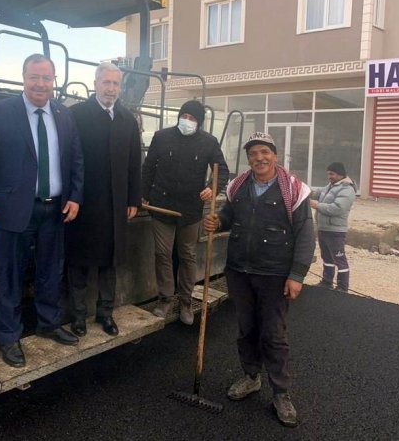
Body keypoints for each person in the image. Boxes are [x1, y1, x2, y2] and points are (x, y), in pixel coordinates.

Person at [0, 54, 84, 368]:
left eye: (46, 78)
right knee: (10, 276)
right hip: (12, 210)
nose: (40, 84)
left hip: (55, 209)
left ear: (54, 80)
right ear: (23, 78)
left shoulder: (63, 114)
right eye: (34, 77)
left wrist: (75, 197)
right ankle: (8, 337)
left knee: (51, 271)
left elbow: (76, 160)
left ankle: (48, 323)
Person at [203, 132, 314, 428]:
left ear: (275, 155)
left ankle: (280, 392)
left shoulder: (294, 190)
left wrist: (297, 274)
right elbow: (228, 216)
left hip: (274, 274)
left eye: (264, 152)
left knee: (273, 334)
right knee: (247, 329)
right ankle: (251, 377)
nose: (259, 158)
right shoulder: (238, 186)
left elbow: (305, 234)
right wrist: (218, 221)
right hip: (240, 271)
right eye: (253, 154)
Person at [65, 62, 142, 337]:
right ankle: (78, 316)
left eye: (115, 84)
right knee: (79, 262)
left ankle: (105, 314)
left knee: (110, 262)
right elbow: (67, 159)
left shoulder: (127, 119)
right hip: (83, 202)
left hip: (115, 203)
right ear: (95, 83)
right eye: (106, 82)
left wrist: (133, 198)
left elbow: (134, 162)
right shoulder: (76, 115)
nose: (111, 88)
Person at [141, 100, 229, 325]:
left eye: (192, 118)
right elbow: (148, 167)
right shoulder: (162, 137)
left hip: (190, 209)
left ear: (199, 122)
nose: (187, 121)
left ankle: (186, 301)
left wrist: (212, 187)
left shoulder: (208, 142)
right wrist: (143, 194)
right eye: (185, 116)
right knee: (162, 254)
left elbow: (222, 170)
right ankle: (165, 299)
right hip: (162, 205)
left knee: (188, 255)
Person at [310, 162, 357, 291]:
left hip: (335, 231)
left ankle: (342, 287)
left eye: (332, 174)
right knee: (327, 257)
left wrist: (317, 205)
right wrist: (303, 190)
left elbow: (337, 208)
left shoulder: (347, 189)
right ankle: (327, 282)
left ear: (340, 174)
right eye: (328, 174)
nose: (329, 176)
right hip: (324, 229)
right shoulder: (330, 186)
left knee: (339, 259)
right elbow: (317, 193)